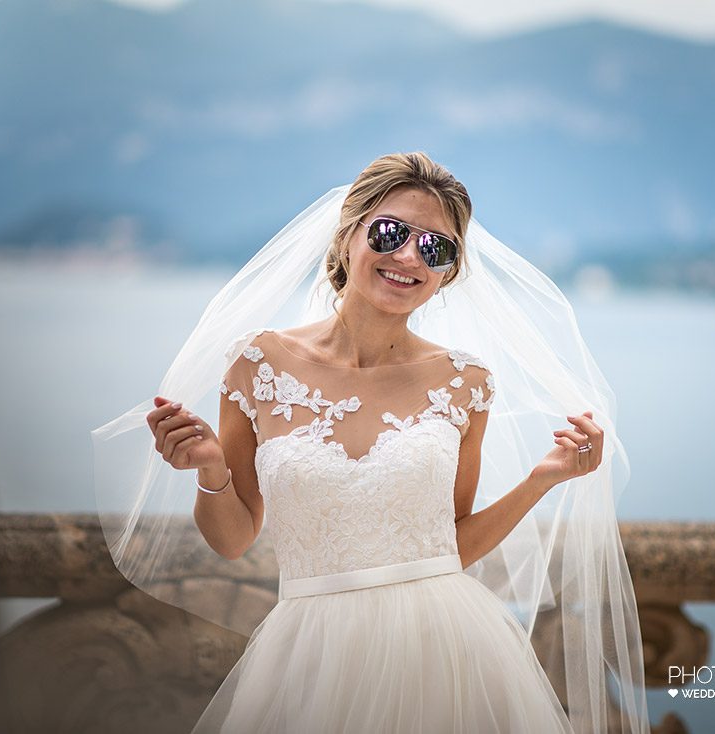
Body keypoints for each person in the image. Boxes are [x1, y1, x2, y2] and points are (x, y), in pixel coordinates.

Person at [92, 151, 650, 733]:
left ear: (447, 273)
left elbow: (450, 544)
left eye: (436, 248)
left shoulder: (465, 383)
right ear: (347, 235)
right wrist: (211, 469)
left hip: (447, 649)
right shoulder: (257, 364)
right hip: (311, 652)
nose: (409, 257)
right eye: (391, 232)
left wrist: (545, 477)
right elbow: (232, 540)